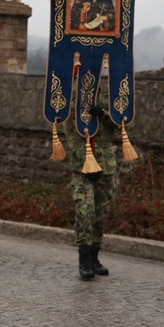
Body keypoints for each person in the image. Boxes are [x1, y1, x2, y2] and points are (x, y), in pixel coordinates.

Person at [62, 93, 117, 280]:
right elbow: (70, 133)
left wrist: (103, 114)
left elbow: (127, 125)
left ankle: (94, 257)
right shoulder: (75, 102)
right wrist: (88, 159)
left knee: (100, 214)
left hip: (106, 165)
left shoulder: (112, 97)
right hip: (83, 168)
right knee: (85, 211)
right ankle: (84, 260)